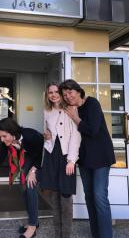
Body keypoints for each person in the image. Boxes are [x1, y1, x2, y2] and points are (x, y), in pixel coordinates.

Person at [59, 79, 116, 238]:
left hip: (101, 157)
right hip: (84, 159)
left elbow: (92, 130)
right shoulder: (69, 109)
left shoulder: (92, 103)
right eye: (65, 95)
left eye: (70, 92)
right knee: (89, 197)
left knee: (99, 196)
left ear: (78, 91)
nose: (68, 96)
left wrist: (75, 117)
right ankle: (96, 234)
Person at [0, 117, 44, 238]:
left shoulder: (29, 135)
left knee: (30, 185)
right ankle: (34, 220)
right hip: (29, 157)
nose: (2, 139)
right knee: (23, 189)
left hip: (42, 159)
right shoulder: (6, 142)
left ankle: (32, 226)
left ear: (13, 132)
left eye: (4, 136)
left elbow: (42, 150)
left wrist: (33, 170)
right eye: (0, 136)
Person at [39, 82, 81, 238]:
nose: (53, 95)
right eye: (50, 92)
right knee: (54, 198)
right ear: (47, 95)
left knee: (66, 198)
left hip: (65, 157)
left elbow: (76, 136)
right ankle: (58, 235)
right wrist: (46, 135)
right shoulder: (47, 110)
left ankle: (66, 235)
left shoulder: (70, 109)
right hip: (51, 155)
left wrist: (71, 160)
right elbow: (48, 133)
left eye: (56, 91)